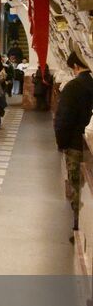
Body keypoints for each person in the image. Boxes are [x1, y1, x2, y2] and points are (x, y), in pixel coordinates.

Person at [54, 53, 93, 242]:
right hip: (88, 141)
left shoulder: (74, 86)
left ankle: (78, 228)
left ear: (76, 66)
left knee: (77, 186)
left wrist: (61, 143)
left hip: (76, 144)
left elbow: (63, 119)